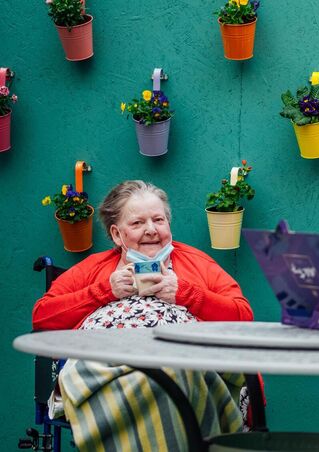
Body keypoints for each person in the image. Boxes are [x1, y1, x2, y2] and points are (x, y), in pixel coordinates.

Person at [32, 180, 255, 451]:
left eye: (158, 220)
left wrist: (186, 293)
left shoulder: (197, 264)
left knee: (174, 375)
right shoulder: (93, 269)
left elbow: (243, 318)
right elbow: (42, 317)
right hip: (108, 372)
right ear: (117, 234)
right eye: (137, 223)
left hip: (183, 369)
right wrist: (104, 291)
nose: (151, 230)